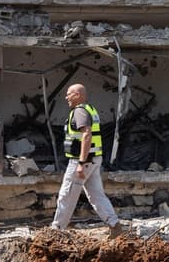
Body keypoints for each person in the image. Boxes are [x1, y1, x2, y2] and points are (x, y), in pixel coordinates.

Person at [51, 83, 123, 235]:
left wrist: (81, 163)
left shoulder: (79, 112)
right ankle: (115, 224)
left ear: (77, 95)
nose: (66, 97)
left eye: (69, 94)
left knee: (67, 194)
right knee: (96, 195)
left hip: (82, 160)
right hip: (94, 158)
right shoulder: (89, 109)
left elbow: (86, 134)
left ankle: (56, 230)